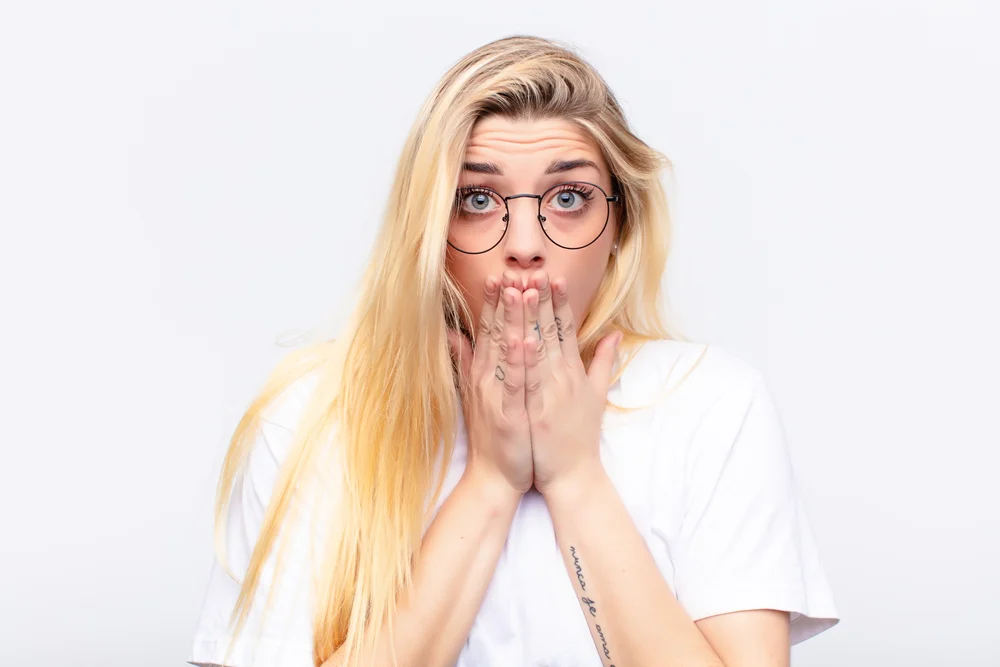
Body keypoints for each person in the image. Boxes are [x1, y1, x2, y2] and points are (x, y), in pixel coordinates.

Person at [187, 35, 840, 667]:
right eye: (477, 199)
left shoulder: (712, 405)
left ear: (619, 226)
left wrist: (575, 477)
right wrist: (491, 481)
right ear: (431, 229)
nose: (524, 242)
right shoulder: (311, 420)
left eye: (567, 198)